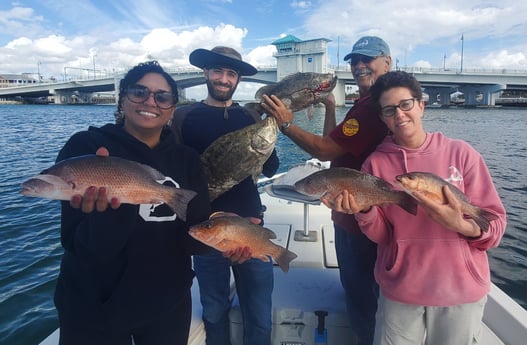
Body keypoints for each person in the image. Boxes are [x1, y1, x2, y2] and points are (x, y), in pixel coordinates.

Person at [327, 70, 507, 345]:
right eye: (389, 110)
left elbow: (494, 225)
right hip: (400, 293)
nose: (399, 115)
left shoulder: (462, 154)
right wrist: (364, 211)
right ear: (382, 118)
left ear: (421, 105)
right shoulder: (375, 165)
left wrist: (461, 225)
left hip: (460, 292)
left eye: (405, 104)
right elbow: (384, 236)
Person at [54, 60, 213, 345]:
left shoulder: (186, 159)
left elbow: (195, 239)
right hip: (91, 305)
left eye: (162, 96)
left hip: (166, 304)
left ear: (172, 109)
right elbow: (76, 244)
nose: (151, 101)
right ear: (122, 99)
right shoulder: (87, 147)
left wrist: (232, 236)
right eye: (139, 92)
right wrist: (107, 215)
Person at [261, 36, 392, 345]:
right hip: (348, 215)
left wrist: (287, 124)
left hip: (362, 220)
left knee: (363, 301)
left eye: (367, 59)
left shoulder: (372, 108)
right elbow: (333, 150)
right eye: (354, 60)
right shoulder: (362, 105)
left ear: (387, 61)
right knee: (356, 291)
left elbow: (322, 148)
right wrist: (330, 105)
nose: (359, 65)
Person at [172, 46, 280, 345]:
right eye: (217, 71)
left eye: (230, 73)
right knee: (214, 310)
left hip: (250, 224)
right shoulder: (183, 116)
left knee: (259, 314)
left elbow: (271, 167)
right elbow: (174, 171)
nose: (223, 78)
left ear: (237, 79)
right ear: (206, 73)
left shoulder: (250, 117)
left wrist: (276, 130)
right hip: (206, 230)